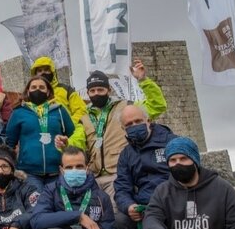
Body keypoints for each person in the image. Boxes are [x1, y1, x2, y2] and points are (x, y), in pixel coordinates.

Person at [62, 60, 166, 199]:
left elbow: (157, 106)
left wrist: (143, 80)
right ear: (88, 93)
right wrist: (66, 144)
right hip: (94, 176)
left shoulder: (125, 106)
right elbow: (79, 140)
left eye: (100, 89)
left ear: (109, 90)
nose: (96, 93)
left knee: (115, 214)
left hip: (120, 173)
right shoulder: (84, 117)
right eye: (92, 91)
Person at [5, 75, 75, 190]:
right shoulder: (19, 112)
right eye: (34, 87)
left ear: (48, 92)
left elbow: (73, 136)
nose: (37, 90)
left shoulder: (60, 111)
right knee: (36, 206)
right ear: (28, 91)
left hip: (57, 172)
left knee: (57, 205)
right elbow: (9, 143)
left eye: (42, 87)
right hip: (29, 173)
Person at [30, 56, 87, 124]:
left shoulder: (66, 90)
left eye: (46, 70)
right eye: (40, 71)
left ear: (53, 71)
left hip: (69, 132)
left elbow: (81, 110)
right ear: (35, 74)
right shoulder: (31, 93)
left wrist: (68, 125)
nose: (43, 73)